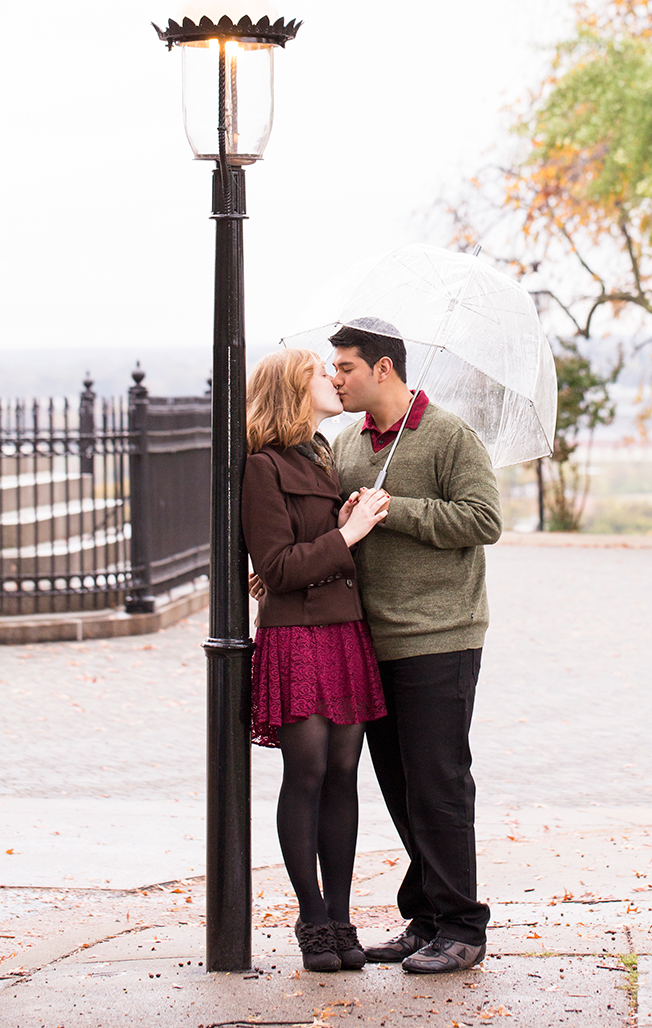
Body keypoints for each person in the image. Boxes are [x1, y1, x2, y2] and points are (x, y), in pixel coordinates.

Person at [326, 320, 504, 975]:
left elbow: (485, 520)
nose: (335, 378)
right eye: (333, 368)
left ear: (383, 369)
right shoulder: (347, 444)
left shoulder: (449, 436)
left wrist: (394, 509)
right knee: (400, 788)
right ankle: (427, 917)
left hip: (440, 638)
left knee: (439, 786)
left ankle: (462, 926)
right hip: (371, 644)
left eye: (345, 367)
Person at [241, 348, 391, 974]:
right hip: (297, 636)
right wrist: (346, 537)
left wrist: (347, 518)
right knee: (306, 775)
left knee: (342, 775)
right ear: (292, 389)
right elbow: (276, 569)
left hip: (343, 632)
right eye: (319, 373)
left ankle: (342, 916)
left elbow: (320, 547)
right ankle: (313, 921)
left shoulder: (323, 457)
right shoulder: (262, 467)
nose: (333, 379)